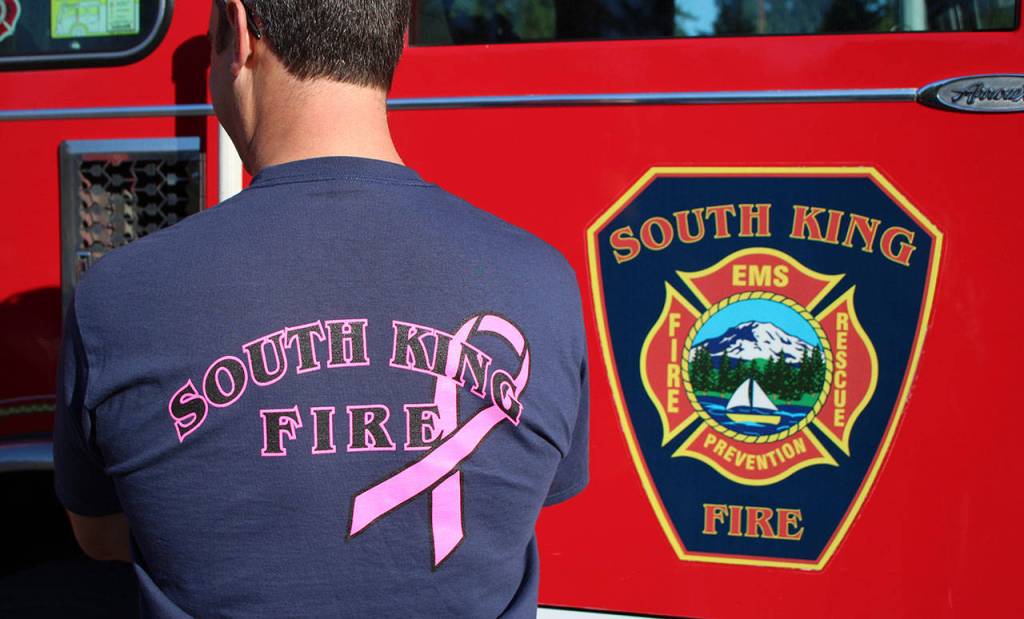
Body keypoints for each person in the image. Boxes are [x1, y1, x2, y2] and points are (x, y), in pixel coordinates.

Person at [52, 1, 589, 616]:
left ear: (241, 29)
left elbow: (98, 534)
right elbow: (537, 499)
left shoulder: (117, 295)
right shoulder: (544, 282)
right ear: (394, 41)